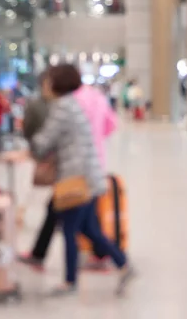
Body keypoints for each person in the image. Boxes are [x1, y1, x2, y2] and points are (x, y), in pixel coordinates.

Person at [29, 64, 134, 297]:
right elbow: (109, 125)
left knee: (70, 229)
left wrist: (31, 148)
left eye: (48, 80)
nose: (44, 85)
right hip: (91, 175)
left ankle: (70, 281)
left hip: (77, 180)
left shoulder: (63, 107)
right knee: (89, 229)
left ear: (57, 84)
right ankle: (123, 264)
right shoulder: (75, 104)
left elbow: (44, 140)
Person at [20, 76, 118, 271]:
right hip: (95, 159)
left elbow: (53, 135)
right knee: (66, 211)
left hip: (75, 168)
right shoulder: (97, 96)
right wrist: (95, 139)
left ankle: (102, 259)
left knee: (73, 218)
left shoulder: (68, 104)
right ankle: (42, 255)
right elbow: (111, 125)